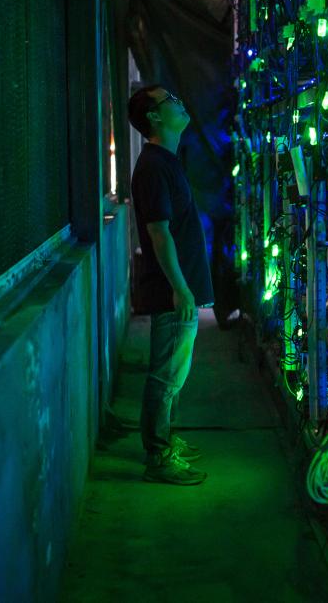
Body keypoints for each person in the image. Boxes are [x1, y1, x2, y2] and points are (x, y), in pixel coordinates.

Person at [128, 85, 215, 485]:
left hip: (179, 287)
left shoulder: (166, 161)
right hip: (170, 290)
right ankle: (158, 456)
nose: (180, 102)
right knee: (164, 376)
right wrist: (179, 287)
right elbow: (159, 233)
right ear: (155, 118)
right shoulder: (152, 167)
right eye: (170, 101)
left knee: (173, 376)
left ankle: (165, 441)